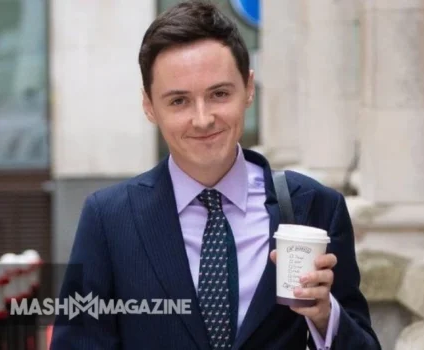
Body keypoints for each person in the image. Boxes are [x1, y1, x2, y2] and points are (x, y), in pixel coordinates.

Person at [50, 1, 381, 349]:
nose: (203, 118)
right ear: (149, 105)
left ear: (249, 88)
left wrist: (325, 315)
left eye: (219, 94)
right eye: (179, 101)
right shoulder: (108, 219)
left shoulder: (316, 207)